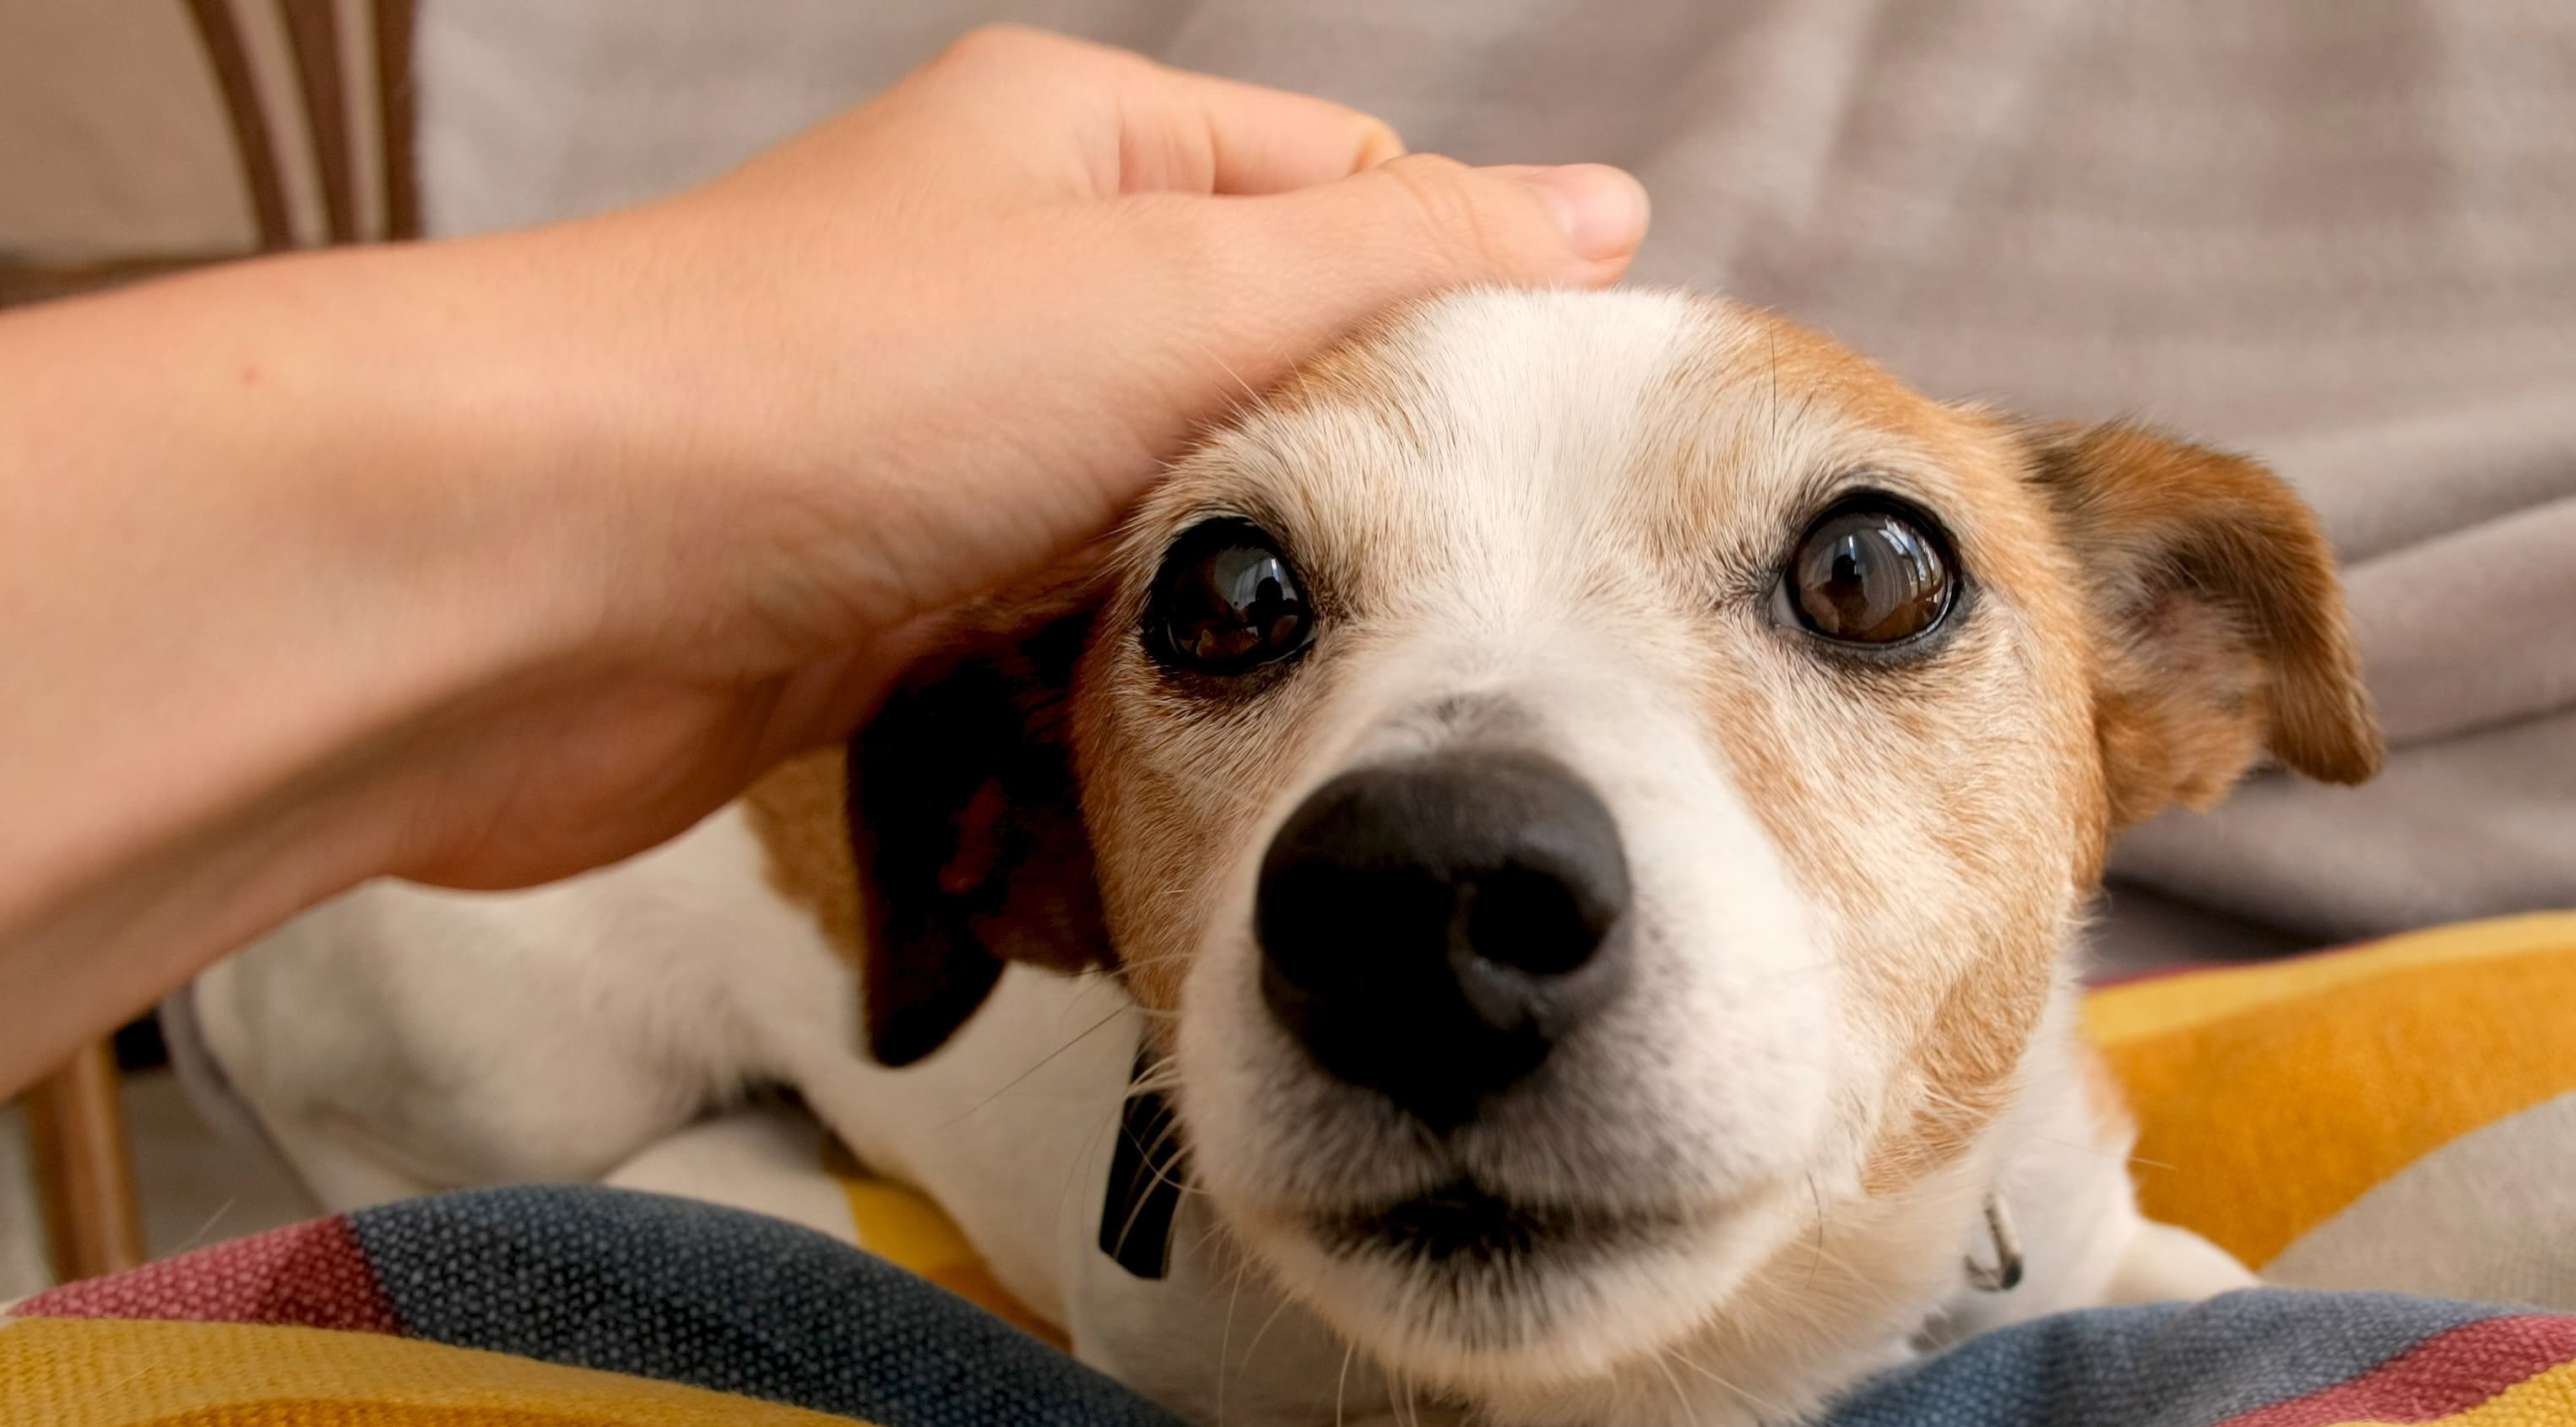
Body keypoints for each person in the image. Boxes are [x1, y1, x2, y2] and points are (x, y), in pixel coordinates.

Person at [0, 26, 1646, 1093]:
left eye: (1860, 583)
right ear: (1038, 853)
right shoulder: (990, 716)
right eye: (1242, 607)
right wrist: (625, 452)